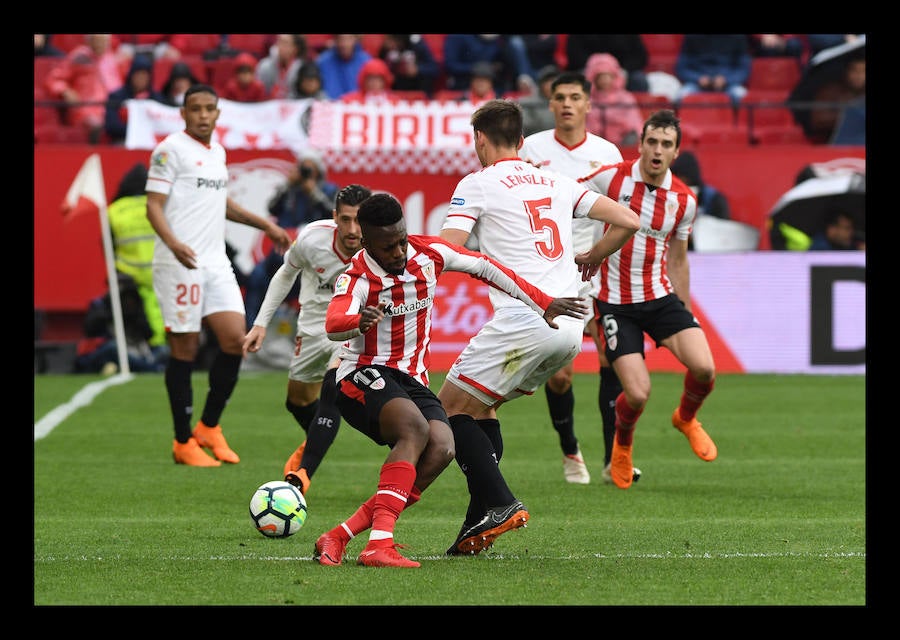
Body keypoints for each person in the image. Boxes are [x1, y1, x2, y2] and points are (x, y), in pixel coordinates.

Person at [312, 192, 593, 568]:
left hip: (410, 378)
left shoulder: (429, 255)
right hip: (360, 375)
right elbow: (334, 322)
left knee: (442, 446)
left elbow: (487, 266)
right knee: (415, 430)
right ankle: (380, 545)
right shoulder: (357, 278)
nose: (398, 252)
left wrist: (542, 301)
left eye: (401, 240)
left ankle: (341, 535)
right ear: (366, 243)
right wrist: (356, 321)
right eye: (387, 246)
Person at [438, 99, 640, 555]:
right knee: (482, 410)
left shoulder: (478, 183)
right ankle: (477, 526)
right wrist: (593, 256)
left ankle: (500, 502)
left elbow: (446, 249)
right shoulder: (556, 180)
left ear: (480, 141)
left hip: (524, 320)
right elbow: (629, 219)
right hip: (570, 326)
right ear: (523, 142)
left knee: (446, 411)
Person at [145, 84, 292, 467]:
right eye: (196, 109)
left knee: (233, 341)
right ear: (184, 113)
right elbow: (153, 207)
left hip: (213, 261)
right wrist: (174, 244)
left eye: (210, 109)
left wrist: (266, 225)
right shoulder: (170, 151)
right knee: (185, 348)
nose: (204, 115)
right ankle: (182, 441)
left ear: (218, 113)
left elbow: (220, 203)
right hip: (179, 261)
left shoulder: (217, 152)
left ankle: (208, 426)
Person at [577, 109, 718, 490]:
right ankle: (622, 445)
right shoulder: (613, 176)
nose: (657, 150)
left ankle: (686, 418)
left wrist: (685, 313)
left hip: (660, 298)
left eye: (666, 144)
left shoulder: (685, 201)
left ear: (675, 152)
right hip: (615, 304)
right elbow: (567, 195)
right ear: (640, 144)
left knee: (705, 370)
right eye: (651, 142)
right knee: (637, 393)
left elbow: (678, 259)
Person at [520, 71, 639, 486]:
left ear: (589, 104)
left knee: (610, 359)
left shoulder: (607, 154)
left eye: (575, 97)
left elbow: (621, 214)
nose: (567, 104)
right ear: (550, 104)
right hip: (550, 274)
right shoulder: (529, 149)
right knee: (561, 374)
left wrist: (602, 256)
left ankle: (613, 459)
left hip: (596, 271)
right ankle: (571, 451)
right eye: (560, 97)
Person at [243, 184, 372, 496]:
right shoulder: (313, 237)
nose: (353, 229)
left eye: (359, 220)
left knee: (332, 387)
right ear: (334, 217)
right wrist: (261, 323)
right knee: (297, 400)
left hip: (353, 327)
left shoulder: (380, 244)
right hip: (314, 327)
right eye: (345, 220)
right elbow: (286, 274)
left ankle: (301, 476)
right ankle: (319, 435)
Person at [244, 149, 339, 329]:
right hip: (282, 250)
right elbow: (272, 208)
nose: (304, 173)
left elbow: (334, 215)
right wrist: (288, 184)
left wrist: (313, 192)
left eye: (309, 170)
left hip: (313, 254)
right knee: (257, 276)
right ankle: (250, 328)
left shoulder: (328, 190)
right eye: (302, 169)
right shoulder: (290, 190)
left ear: (318, 172)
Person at [108, 162, 167, 349]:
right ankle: (164, 347)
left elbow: (108, 247)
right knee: (163, 311)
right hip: (162, 271)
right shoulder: (159, 204)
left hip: (131, 277)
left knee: (143, 314)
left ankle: (152, 347)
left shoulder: (114, 210)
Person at [43, 33, 125, 144]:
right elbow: (53, 79)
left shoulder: (112, 59)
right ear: (89, 41)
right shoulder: (79, 57)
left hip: (111, 108)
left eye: (103, 40)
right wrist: (65, 91)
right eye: (96, 40)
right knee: (97, 124)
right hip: (85, 109)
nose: (100, 44)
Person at [670, 150, 733, 251]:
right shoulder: (669, 198)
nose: (679, 182)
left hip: (709, 253)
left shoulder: (714, 199)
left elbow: (723, 234)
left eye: (681, 178)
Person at [674, 34, 751, 108]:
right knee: (679, 96)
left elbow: (743, 69)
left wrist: (726, 80)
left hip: (728, 84)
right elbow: (681, 68)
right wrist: (698, 78)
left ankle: (736, 121)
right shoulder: (692, 36)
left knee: (743, 97)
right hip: (697, 83)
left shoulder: (737, 37)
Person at [104, 53, 167, 144]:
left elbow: (164, 125)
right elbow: (111, 126)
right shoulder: (116, 97)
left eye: (144, 75)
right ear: (131, 76)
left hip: (152, 142)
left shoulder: (158, 99)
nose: (141, 78)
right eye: (138, 74)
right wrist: (137, 132)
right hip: (124, 141)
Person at [584, 53, 644, 147]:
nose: (605, 80)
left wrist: (617, 123)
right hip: (596, 143)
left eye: (608, 76)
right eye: (601, 76)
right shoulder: (587, 100)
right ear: (594, 78)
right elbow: (586, 125)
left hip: (623, 142)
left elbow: (634, 124)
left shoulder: (626, 97)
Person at [565, 34, 650, 93]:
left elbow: (640, 56)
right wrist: (597, 70)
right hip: (588, 69)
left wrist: (623, 70)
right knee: (573, 80)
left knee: (638, 80)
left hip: (622, 70)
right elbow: (574, 54)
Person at [316, 34, 373, 100]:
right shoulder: (322, 61)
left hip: (359, 106)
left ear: (355, 39)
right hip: (330, 105)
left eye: (348, 39)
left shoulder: (366, 61)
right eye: (340, 39)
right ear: (335, 40)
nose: (344, 44)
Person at [255, 34, 306, 100]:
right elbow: (258, 93)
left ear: (295, 49)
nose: (280, 47)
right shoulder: (265, 66)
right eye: (279, 42)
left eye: (285, 43)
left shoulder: (301, 68)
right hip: (268, 106)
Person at [520, 64, 559, 137]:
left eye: (555, 80)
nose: (552, 85)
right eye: (548, 81)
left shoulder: (566, 105)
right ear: (541, 85)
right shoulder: (528, 104)